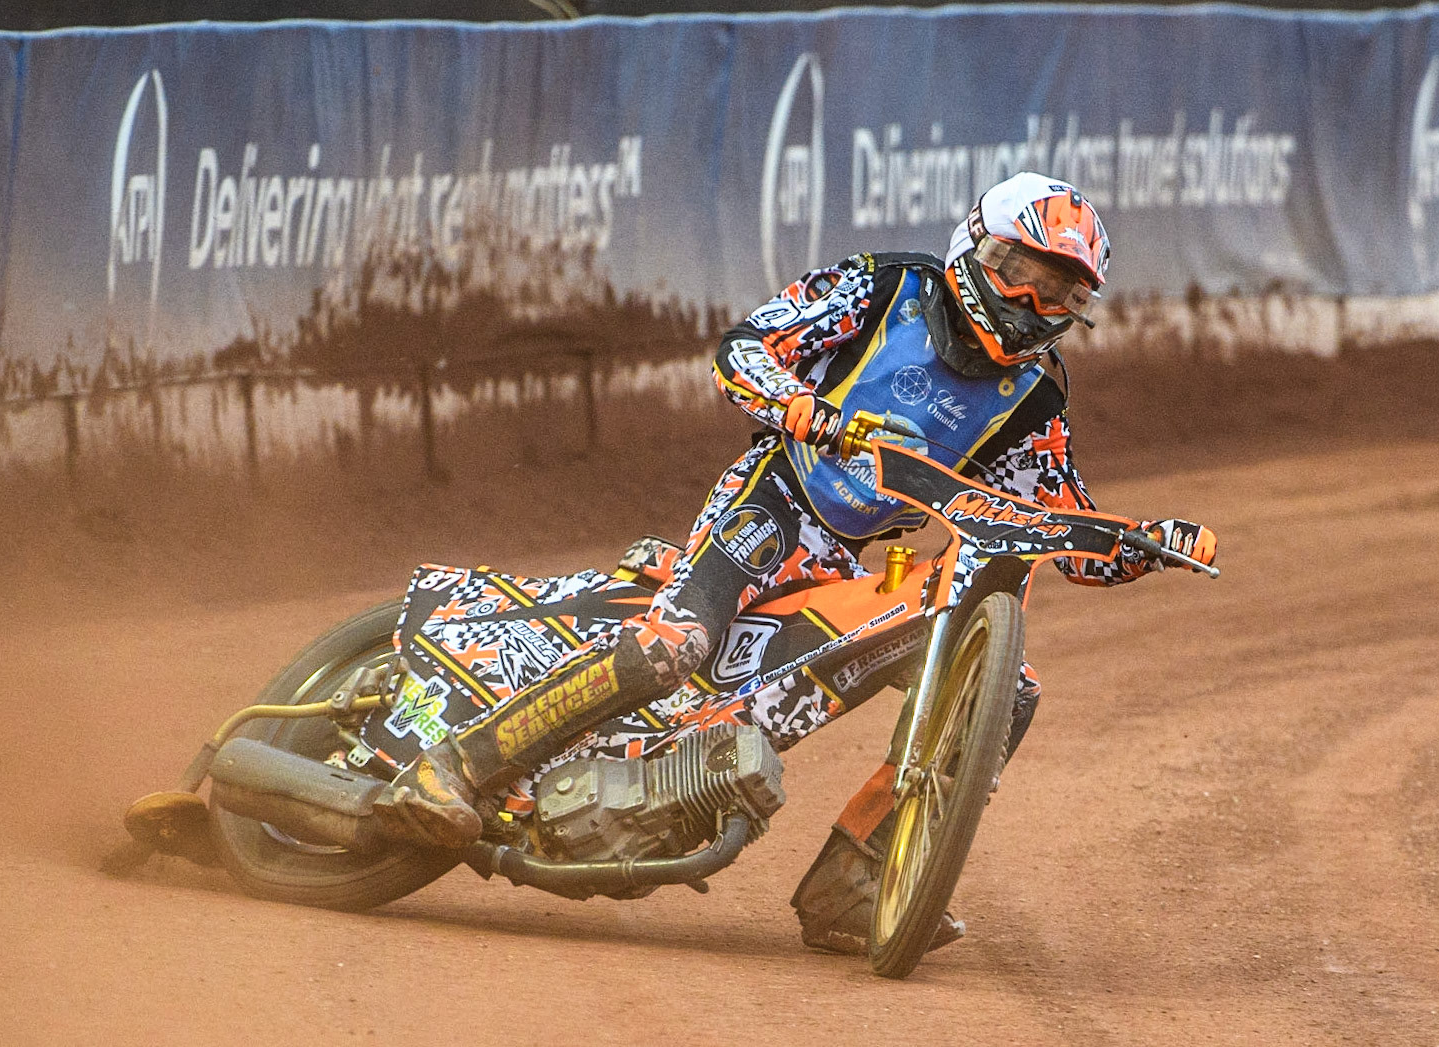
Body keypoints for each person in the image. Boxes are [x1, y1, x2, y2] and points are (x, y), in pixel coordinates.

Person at [373, 171, 1218, 956]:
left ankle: (853, 881)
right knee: (673, 648)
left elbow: (1057, 527)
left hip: (851, 560)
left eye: (1060, 291)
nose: (1033, 301)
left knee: (1012, 691)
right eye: (1020, 272)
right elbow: (741, 350)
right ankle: (457, 766)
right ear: (976, 250)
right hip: (774, 500)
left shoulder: (1036, 394)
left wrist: (1147, 543)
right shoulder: (885, 285)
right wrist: (801, 409)